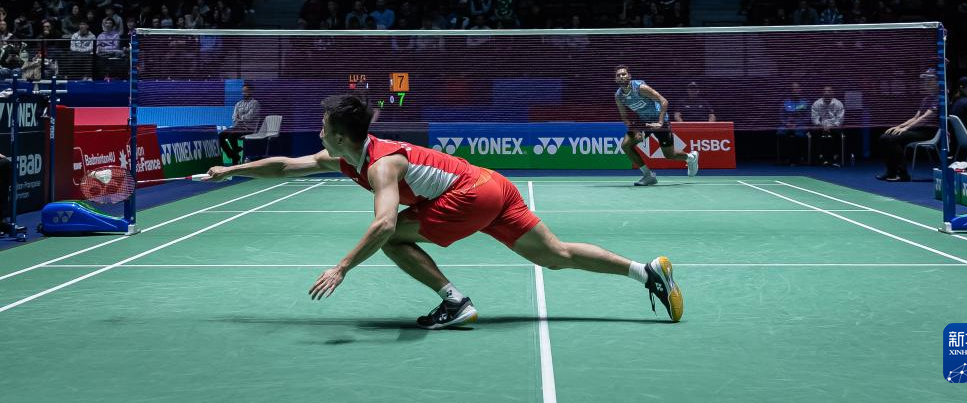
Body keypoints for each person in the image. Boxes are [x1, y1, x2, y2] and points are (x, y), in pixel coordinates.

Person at [206, 95, 683, 327]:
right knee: (555, 255)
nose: (318, 131)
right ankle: (647, 272)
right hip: (492, 185)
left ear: (342, 136)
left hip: (470, 195)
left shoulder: (382, 165)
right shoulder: (347, 156)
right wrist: (232, 171)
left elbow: (385, 222)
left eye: (324, 126)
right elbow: (288, 166)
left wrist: (342, 266)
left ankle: (454, 301)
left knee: (390, 236)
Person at [615, 65, 698, 186]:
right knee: (626, 145)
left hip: (659, 118)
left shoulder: (640, 88)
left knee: (669, 155)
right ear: (616, 79)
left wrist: (660, 122)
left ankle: (690, 157)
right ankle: (648, 175)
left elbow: (664, 101)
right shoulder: (619, 96)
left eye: (624, 74)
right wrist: (633, 129)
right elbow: (624, 117)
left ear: (629, 76)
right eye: (618, 75)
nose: (621, 76)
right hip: (643, 121)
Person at [876, 69, 940, 182]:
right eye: (925, 80)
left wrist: (906, 128)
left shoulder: (940, 98)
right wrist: (900, 126)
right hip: (918, 130)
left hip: (929, 132)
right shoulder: (927, 98)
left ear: (937, 81)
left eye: (929, 79)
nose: (926, 82)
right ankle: (891, 172)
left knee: (892, 140)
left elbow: (925, 118)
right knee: (884, 137)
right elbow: (916, 117)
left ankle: (903, 175)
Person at [218, 83, 261, 165]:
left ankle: (235, 159)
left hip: (249, 129)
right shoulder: (238, 103)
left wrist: (240, 117)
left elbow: (249, 117)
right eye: (243, 91)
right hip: (237, 127)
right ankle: (233, 155)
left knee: (232, 135)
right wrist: (240, 118)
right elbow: (234, 117)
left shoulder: (255, 103)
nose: (244, 93)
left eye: (246, 91)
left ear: (251, 91)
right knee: (221, 135)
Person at [810, 86, 845, 166]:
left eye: (829, 91)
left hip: (834, 126)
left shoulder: (839, 104)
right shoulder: (816, 104)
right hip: (820, 126)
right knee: (814, 133)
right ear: (822, 93)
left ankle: (835, 157)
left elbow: (840, 120)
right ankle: (819, 157)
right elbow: (814, 119)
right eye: (825, 91)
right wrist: (822, 126)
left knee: (838, 134)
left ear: (833, 93)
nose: (827, 93)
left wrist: (830, 127)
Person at [777, 82, 810, 165]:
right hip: (787, 125)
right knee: (780, 131)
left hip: (800, 125)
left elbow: (808, 117)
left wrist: (797, 124)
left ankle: (799, 158)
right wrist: (786, 123)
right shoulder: (785, 102)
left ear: (800, 90)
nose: (795, 90)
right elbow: (781, 116)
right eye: (793, 88)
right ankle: (784, 158)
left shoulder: (805, 103)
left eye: (797, 88)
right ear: (791, 90)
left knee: (799, 133)